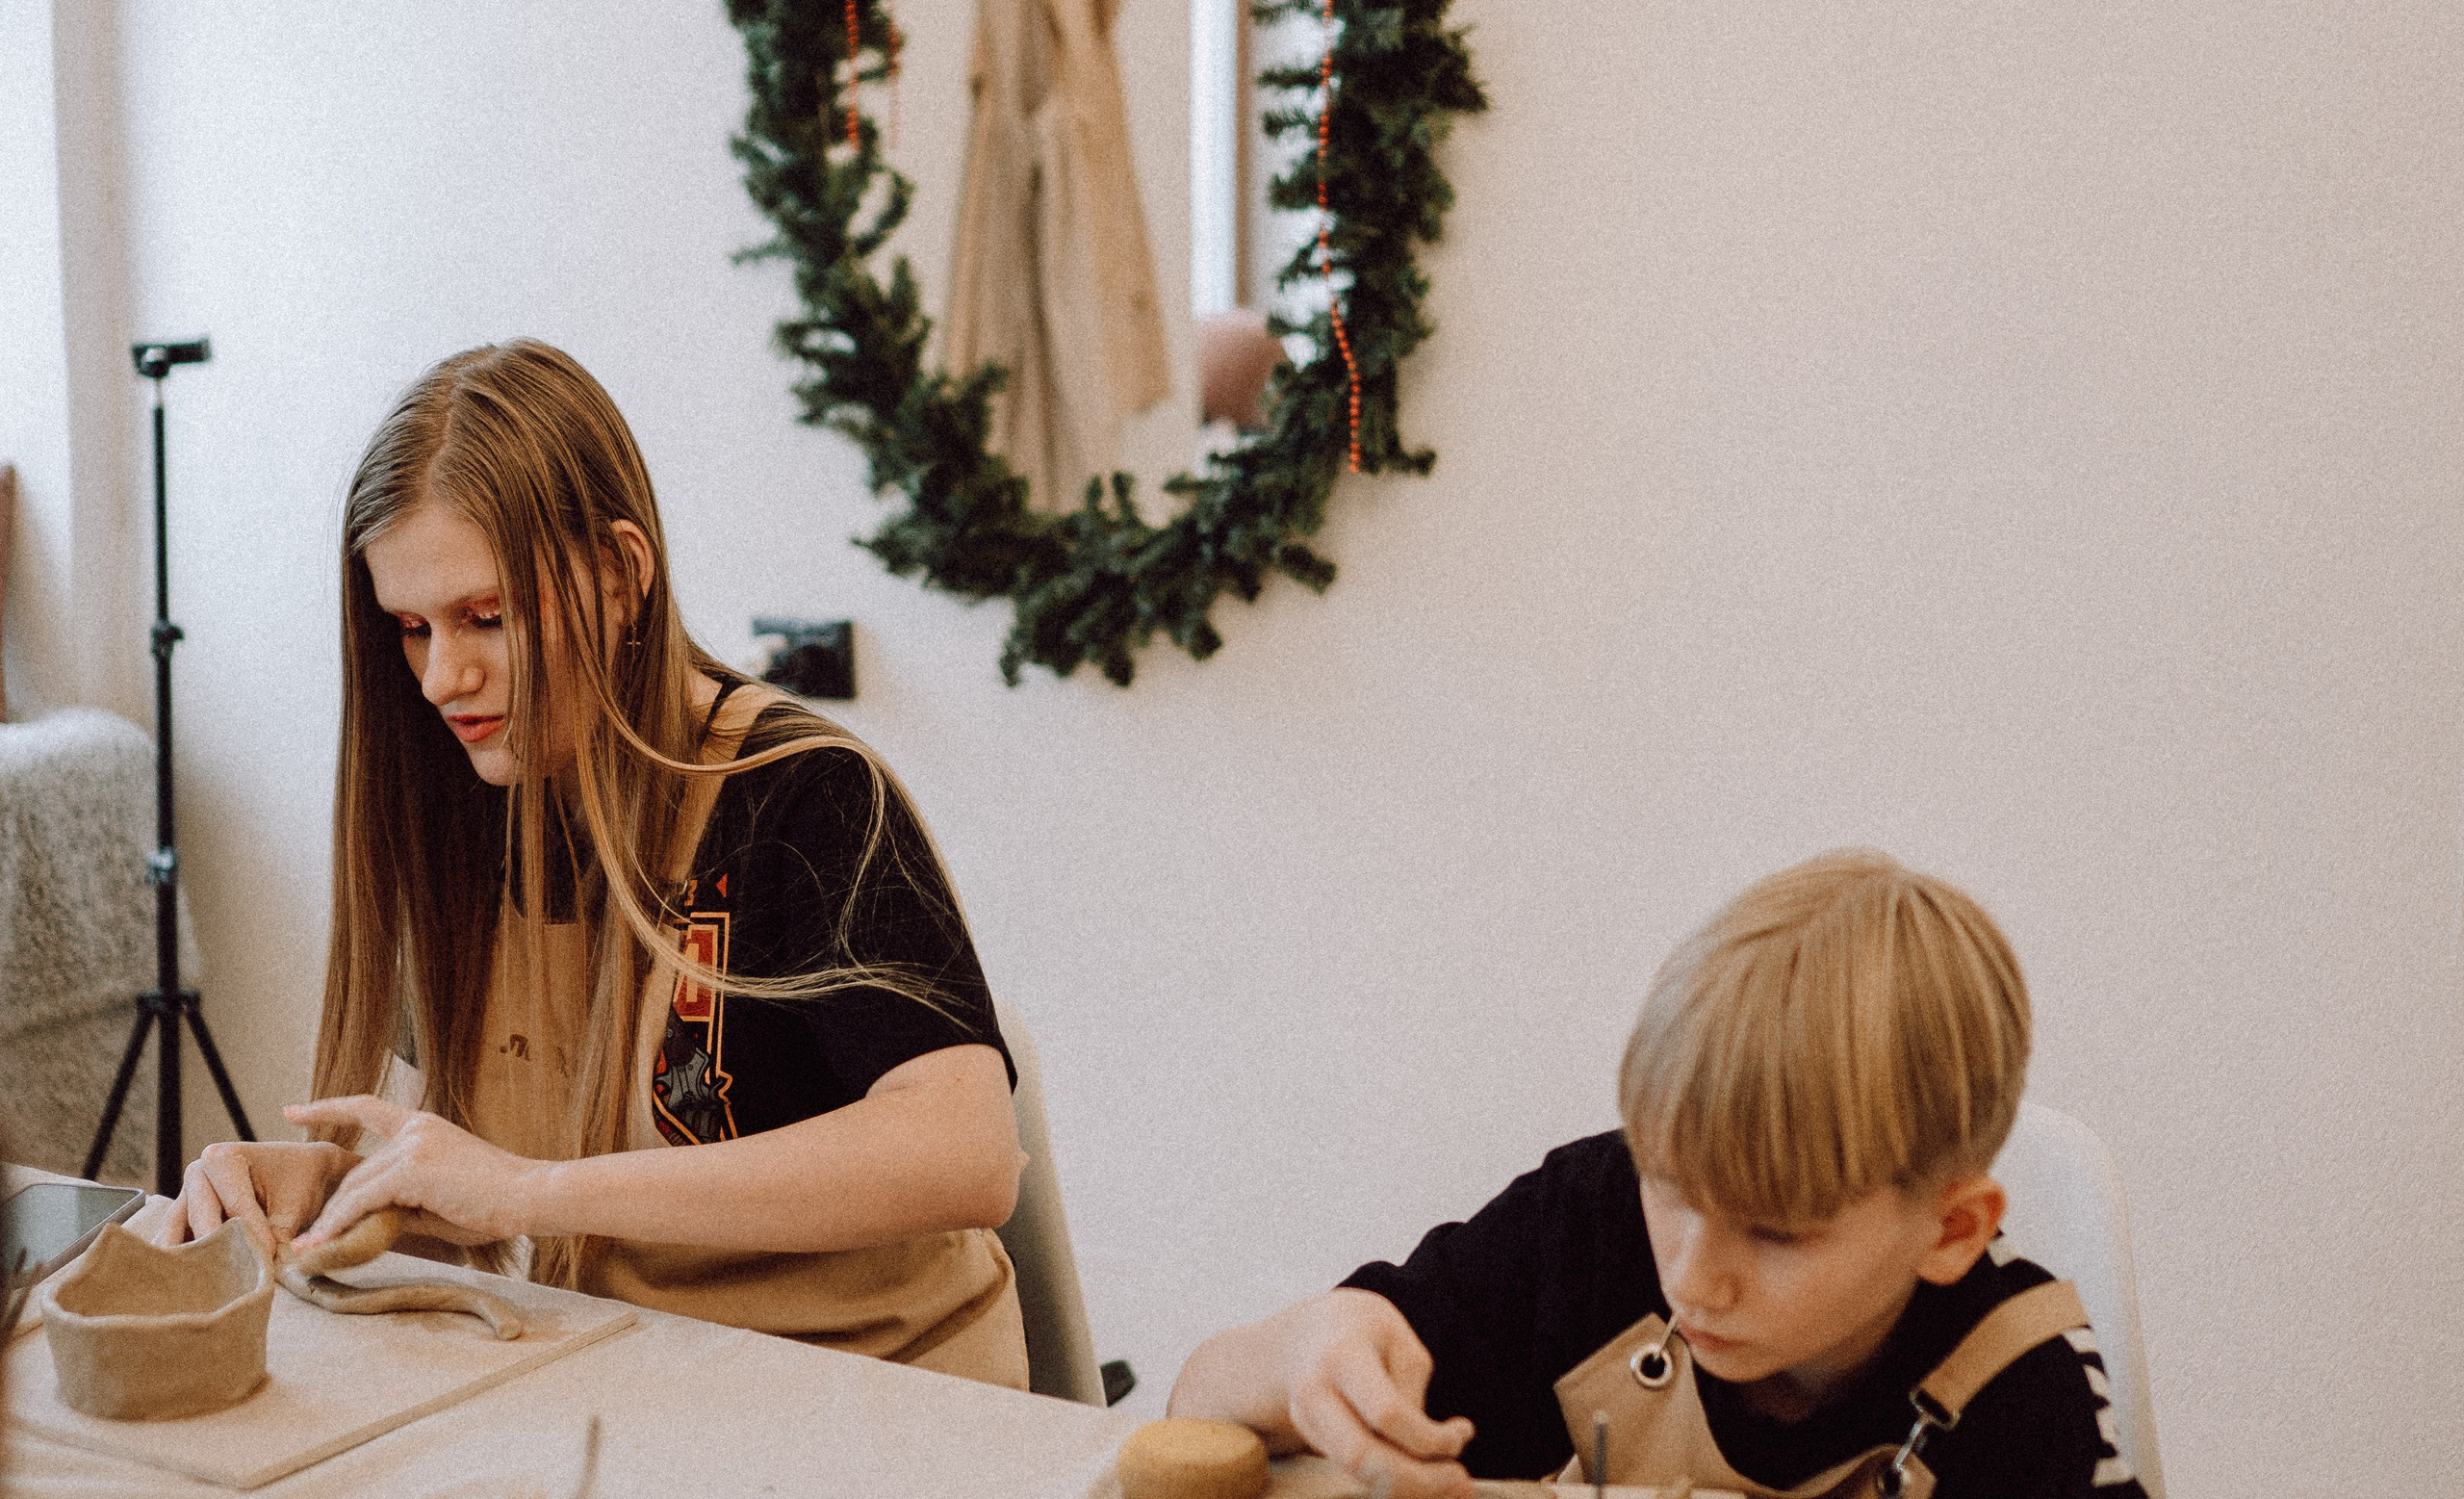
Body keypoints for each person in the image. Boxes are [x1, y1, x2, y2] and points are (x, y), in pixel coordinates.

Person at [159, 340, 1030, 1386]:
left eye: (487, 618)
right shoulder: (464, 804)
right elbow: (482, 1174)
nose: (441, 677)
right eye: (412, 628)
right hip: (648, 1384)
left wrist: (529, 1192)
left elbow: (967, 1152)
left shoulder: (806, 794)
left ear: (621, 576)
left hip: (883, 1393)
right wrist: (339, 1183)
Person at [1169, 851, 2146, 1498]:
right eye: (1671, 1187)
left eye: (1775, 1232)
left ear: (1950, 1230)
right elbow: (1200, 1405)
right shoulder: (1586, 1226)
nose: (1692, 1277)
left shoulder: (2028, 1395)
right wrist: (1304, 1353)